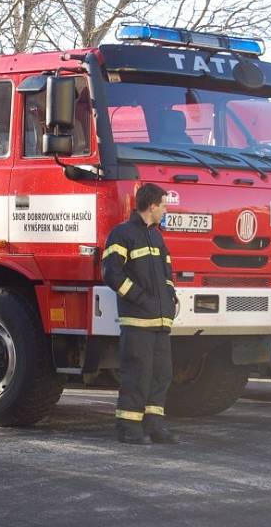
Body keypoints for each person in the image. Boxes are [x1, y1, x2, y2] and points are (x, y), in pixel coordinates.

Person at [102, 183, 180, 445]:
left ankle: (154, 424)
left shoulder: (157, 237)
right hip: (137, 320)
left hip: (160, 321)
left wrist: (170, 300)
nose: (166, 211)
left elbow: (168, 275)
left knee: (161, 374)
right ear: (152, 206)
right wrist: (140, 299)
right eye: (165, 206)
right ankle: (128, 427)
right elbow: (112, 274)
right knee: (137, 373)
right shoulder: (122, 234)